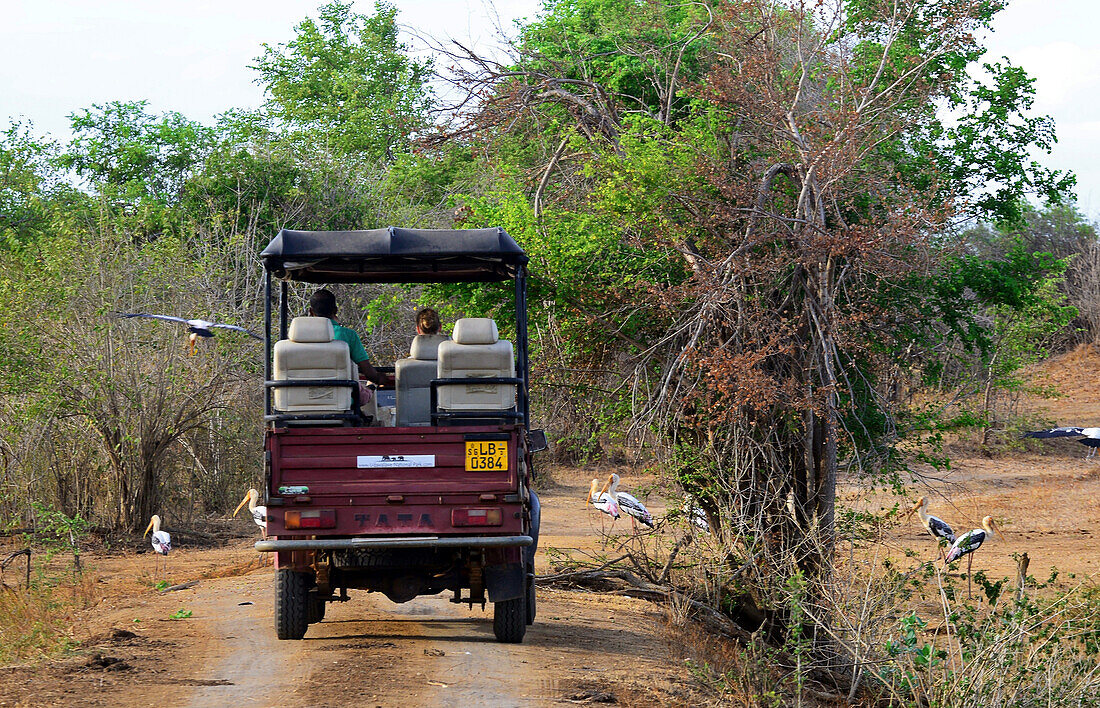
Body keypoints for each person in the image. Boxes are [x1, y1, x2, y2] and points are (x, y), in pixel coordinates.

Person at [308, 289, 389, 386]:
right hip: (340, 399)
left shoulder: (297, 339)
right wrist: (380, 378)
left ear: (311, 311)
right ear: (335, 310)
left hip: (300, 399)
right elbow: (368, 373)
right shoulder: (348, 335)